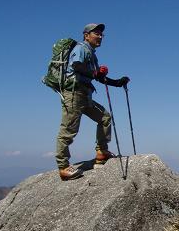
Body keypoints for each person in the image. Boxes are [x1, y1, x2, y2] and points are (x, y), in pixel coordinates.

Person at [56, 23, 130, 181]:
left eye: (102, 34)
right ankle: (63, 167)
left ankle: (102, 152)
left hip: (85, 95)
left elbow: (98, 77)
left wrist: (118, 82)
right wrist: (96, 72)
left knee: (104, 117)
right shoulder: (81, 48)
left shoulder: (92, 54)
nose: (100, 36)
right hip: (74, 94)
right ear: (86, 35)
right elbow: (77, 66)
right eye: (97, 33)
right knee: (68, 130)